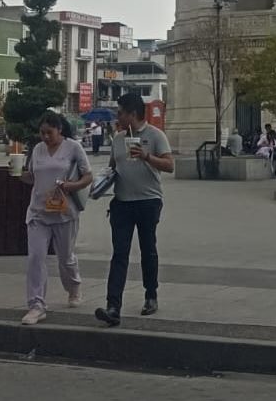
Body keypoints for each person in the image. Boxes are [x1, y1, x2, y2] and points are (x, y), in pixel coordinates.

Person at [96, 93, 174, 328]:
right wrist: (99, 185)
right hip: (122, 203)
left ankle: (151, 295)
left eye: (120, 113)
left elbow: (169, 165)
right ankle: (113, 306)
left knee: (148, 250)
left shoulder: (155, 135)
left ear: (132, 114)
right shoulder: (118, 139)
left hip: (148, 201)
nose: (117, 117)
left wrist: (147, 156)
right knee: (119, 254)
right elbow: (112, 168)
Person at [19, 111, 92, 325]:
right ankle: (36, 305)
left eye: (49, 133)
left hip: (64, 212)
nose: (45, 137)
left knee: (65, 257)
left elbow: (88, 176)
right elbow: (32, 176)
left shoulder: (73, 147)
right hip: (38, 212)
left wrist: (72, 186)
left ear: (59, 130)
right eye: (42, 133)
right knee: (36, 258)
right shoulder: (37, 149)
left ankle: (73, 286)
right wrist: (19, 175)